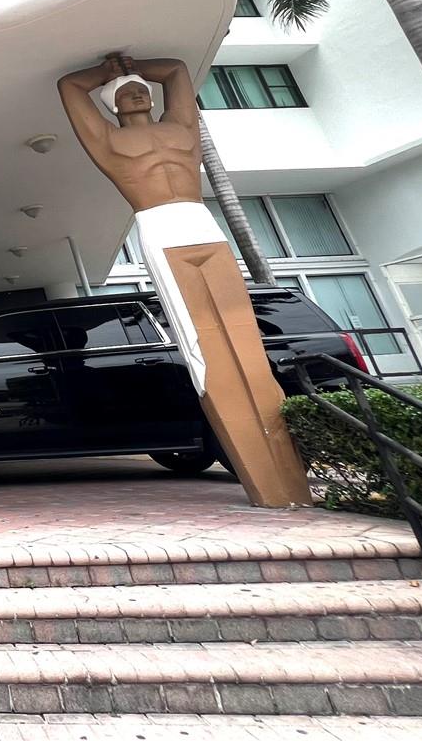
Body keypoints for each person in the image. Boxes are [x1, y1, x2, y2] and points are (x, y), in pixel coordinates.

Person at [58, 54, 311, 508]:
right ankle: (264, 479)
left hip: (204, 227)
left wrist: (132, 66)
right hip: (161, 229)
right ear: (111, 105)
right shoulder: (110, 141)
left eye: (139, 87)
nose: (135, 91)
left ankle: (288, 481)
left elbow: (175, 70)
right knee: (202, 346)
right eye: (123, 92)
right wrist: (107, 73)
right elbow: (70, 88)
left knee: (245, 342)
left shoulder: (181, 129)